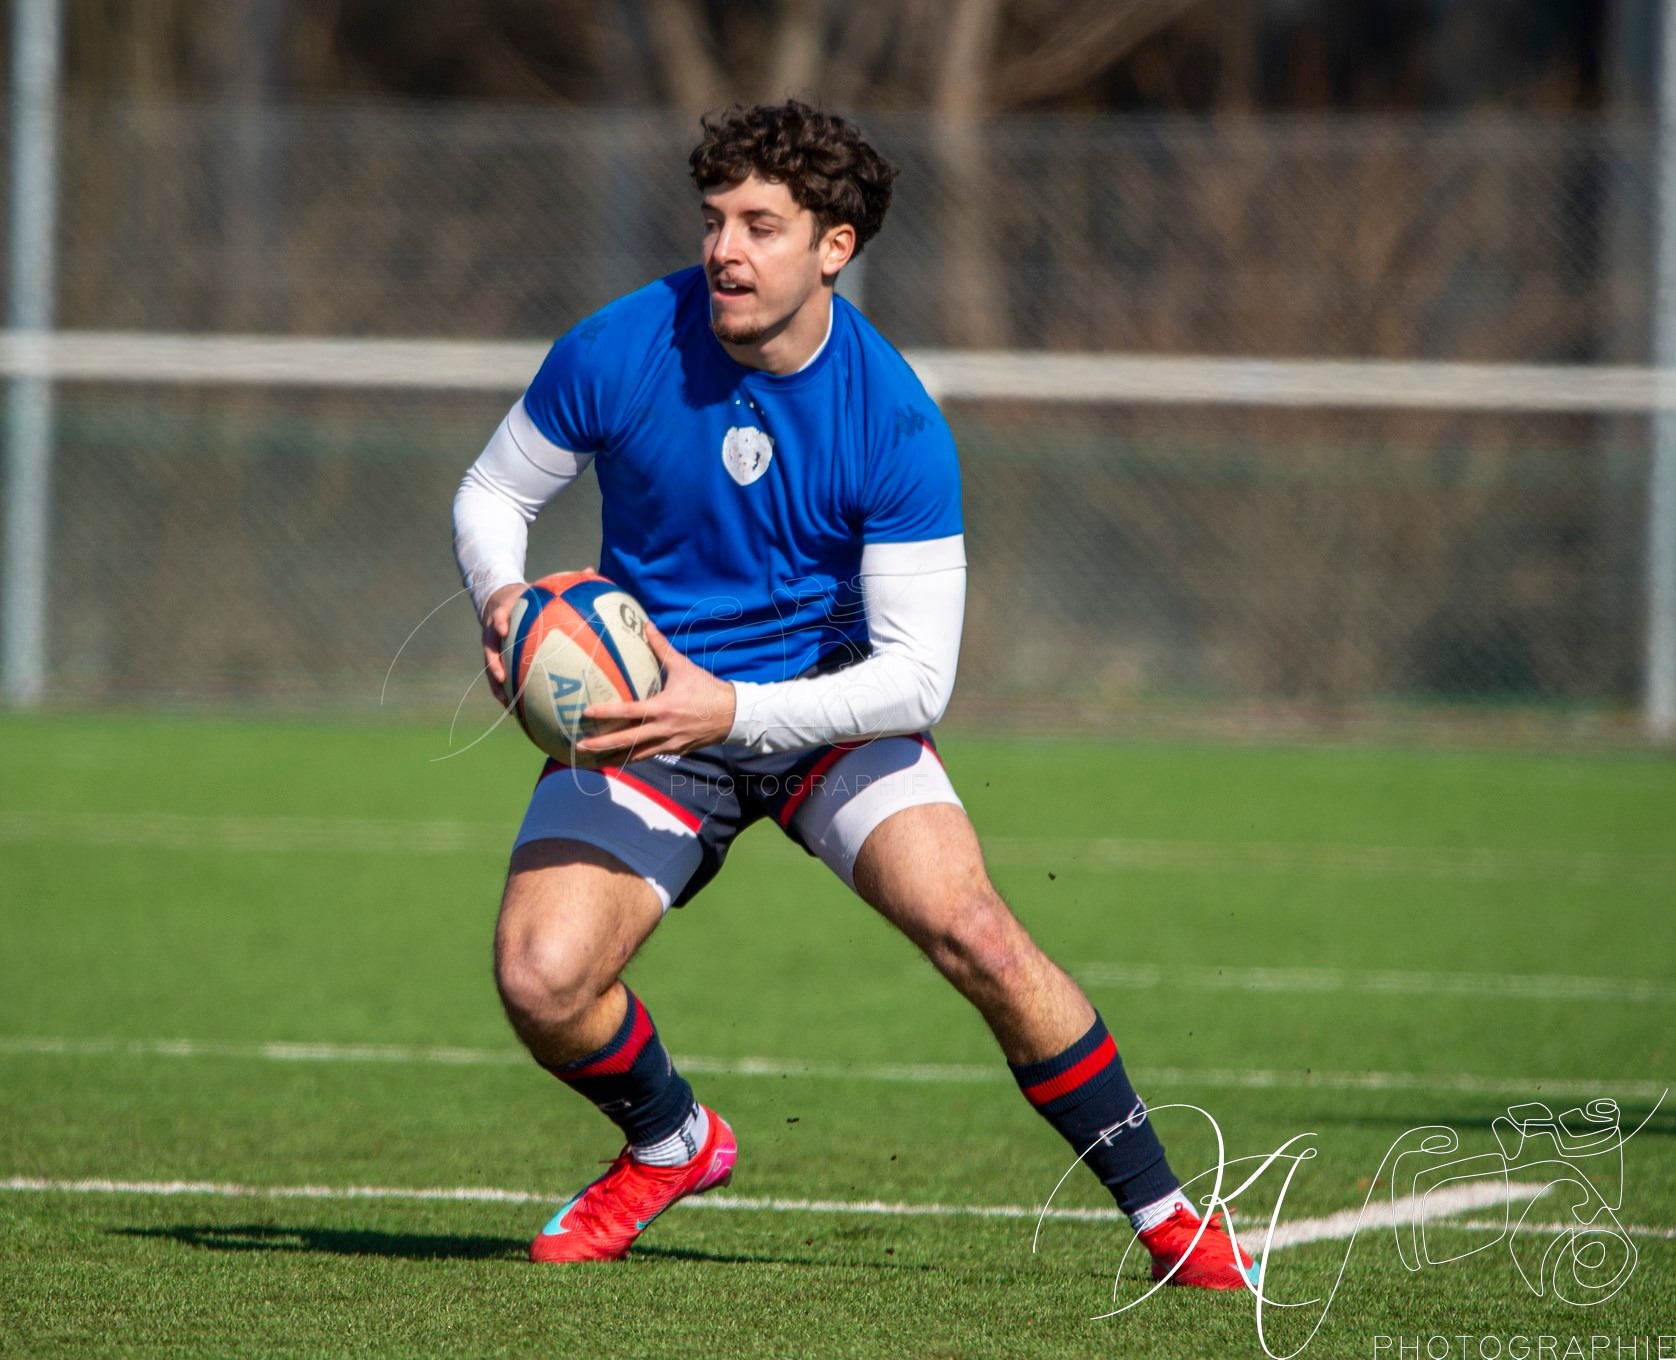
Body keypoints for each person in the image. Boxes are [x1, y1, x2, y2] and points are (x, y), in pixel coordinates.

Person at [449, 100, 1256, 1289]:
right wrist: (503, 601)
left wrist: (732, 711)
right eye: (715, 219)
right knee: (541, 977)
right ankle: (672, 1141)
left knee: (978, 933)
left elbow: (917, 675)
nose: (724, 248)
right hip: (647, 709)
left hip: (830, 710)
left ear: (834, 247)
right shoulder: (619, 346)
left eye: (761, 226)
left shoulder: (893, 420)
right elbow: (489, 495)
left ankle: (1169, 1217)